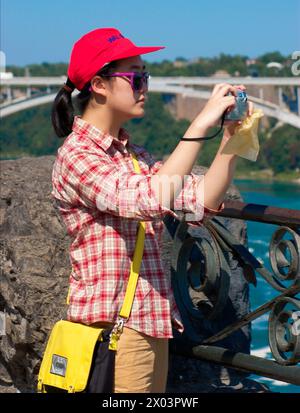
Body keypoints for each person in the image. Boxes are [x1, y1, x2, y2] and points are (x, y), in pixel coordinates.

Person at [51, 27, 253, 393]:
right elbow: (147, 199)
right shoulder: (77, 156)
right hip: (111, 333)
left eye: (146, 76)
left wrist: (230, 139)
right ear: (98, 85)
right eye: (135, 77)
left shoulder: (133, 156)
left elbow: (200, 199)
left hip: (147, 326)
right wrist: (198, 124)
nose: (145, 85)